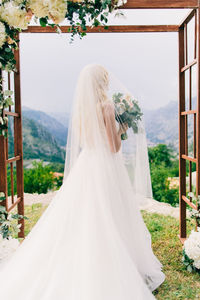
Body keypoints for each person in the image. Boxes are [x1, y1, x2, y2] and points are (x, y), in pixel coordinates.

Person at [0, 64, 165, 299]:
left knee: (83, 214)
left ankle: (81, 259)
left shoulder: (81, 109)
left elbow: (89, 141)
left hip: (86, 164)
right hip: (105, 167)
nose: (108, 83)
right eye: (106, 79)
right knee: (109, 213)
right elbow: (113, 147)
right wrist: (122, 129)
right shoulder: (106, 106)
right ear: (101, 82)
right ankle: (111, 262)